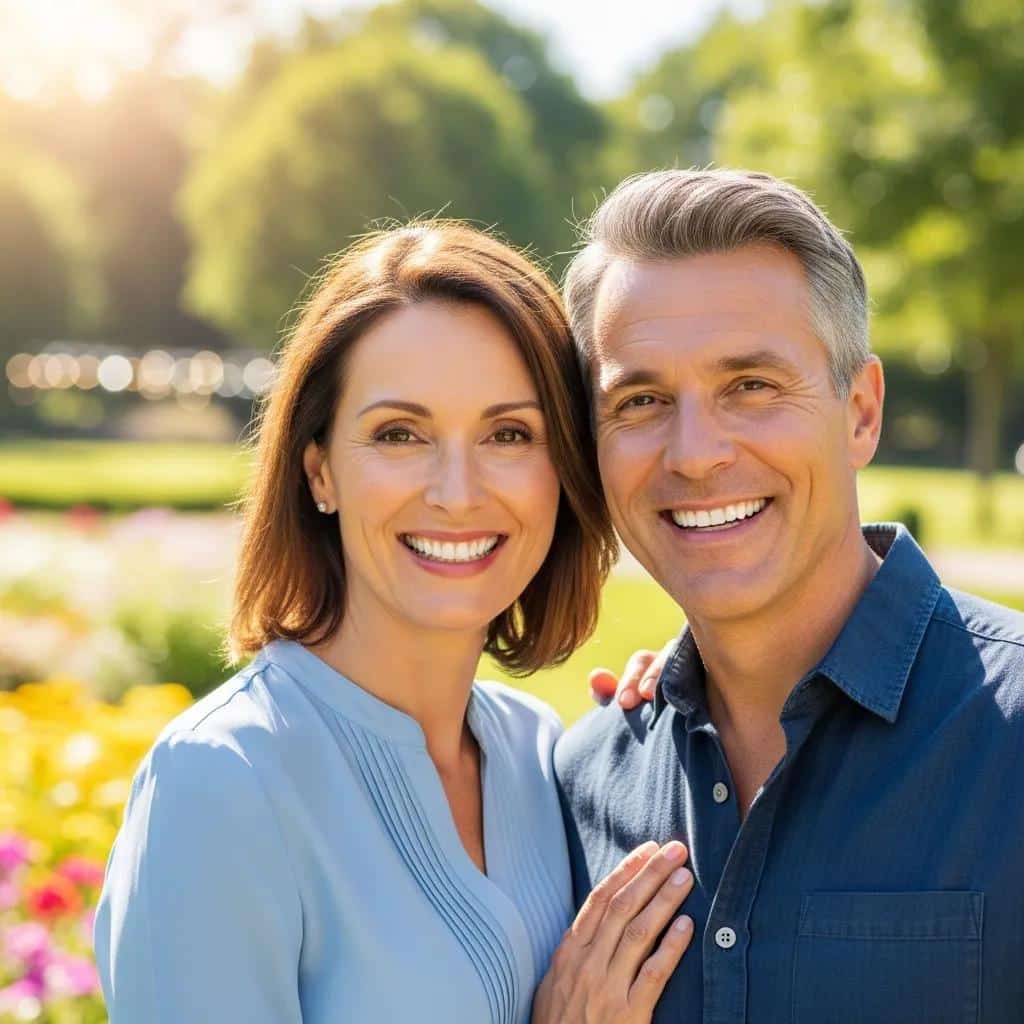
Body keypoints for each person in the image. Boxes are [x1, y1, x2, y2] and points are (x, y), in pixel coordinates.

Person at [92, 222, 698, 1024]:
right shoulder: (222, 783)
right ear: (320, 471)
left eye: (509, 433)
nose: (457, 489)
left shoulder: (537, 751)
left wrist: (677, 706)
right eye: (400, 434)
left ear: (563, 470)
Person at [554, 169, 1024, 1023]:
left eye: (752, 387)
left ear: (860, 412)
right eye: (642, 399)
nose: (693, 454)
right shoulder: (582, 783)